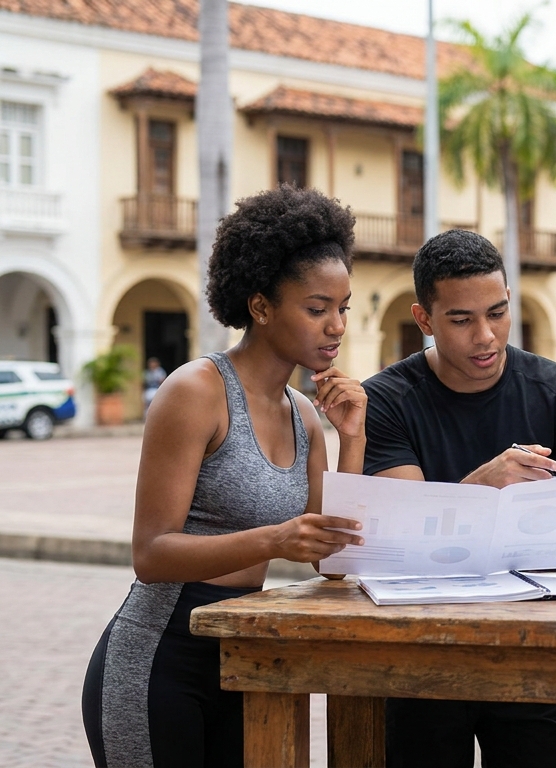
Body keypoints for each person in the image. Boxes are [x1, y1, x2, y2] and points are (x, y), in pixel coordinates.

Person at [82, 185, 369, 767]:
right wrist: (274, 540)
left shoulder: (307, 416)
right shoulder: (195, 393)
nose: (335, 325)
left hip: (243, 659)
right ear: (261, 307)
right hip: (158, 660)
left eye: (343, 307)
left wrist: (352, 439)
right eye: (317, 308)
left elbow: (333, 562)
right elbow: (151, 552)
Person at [360, 228, 556, 768]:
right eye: (461, 320)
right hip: (422, 654)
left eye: (498, 312)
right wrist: (484, 484)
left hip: (532, 653)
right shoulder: (386, 399)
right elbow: (403, 539)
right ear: (424, 319)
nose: (486, 336)